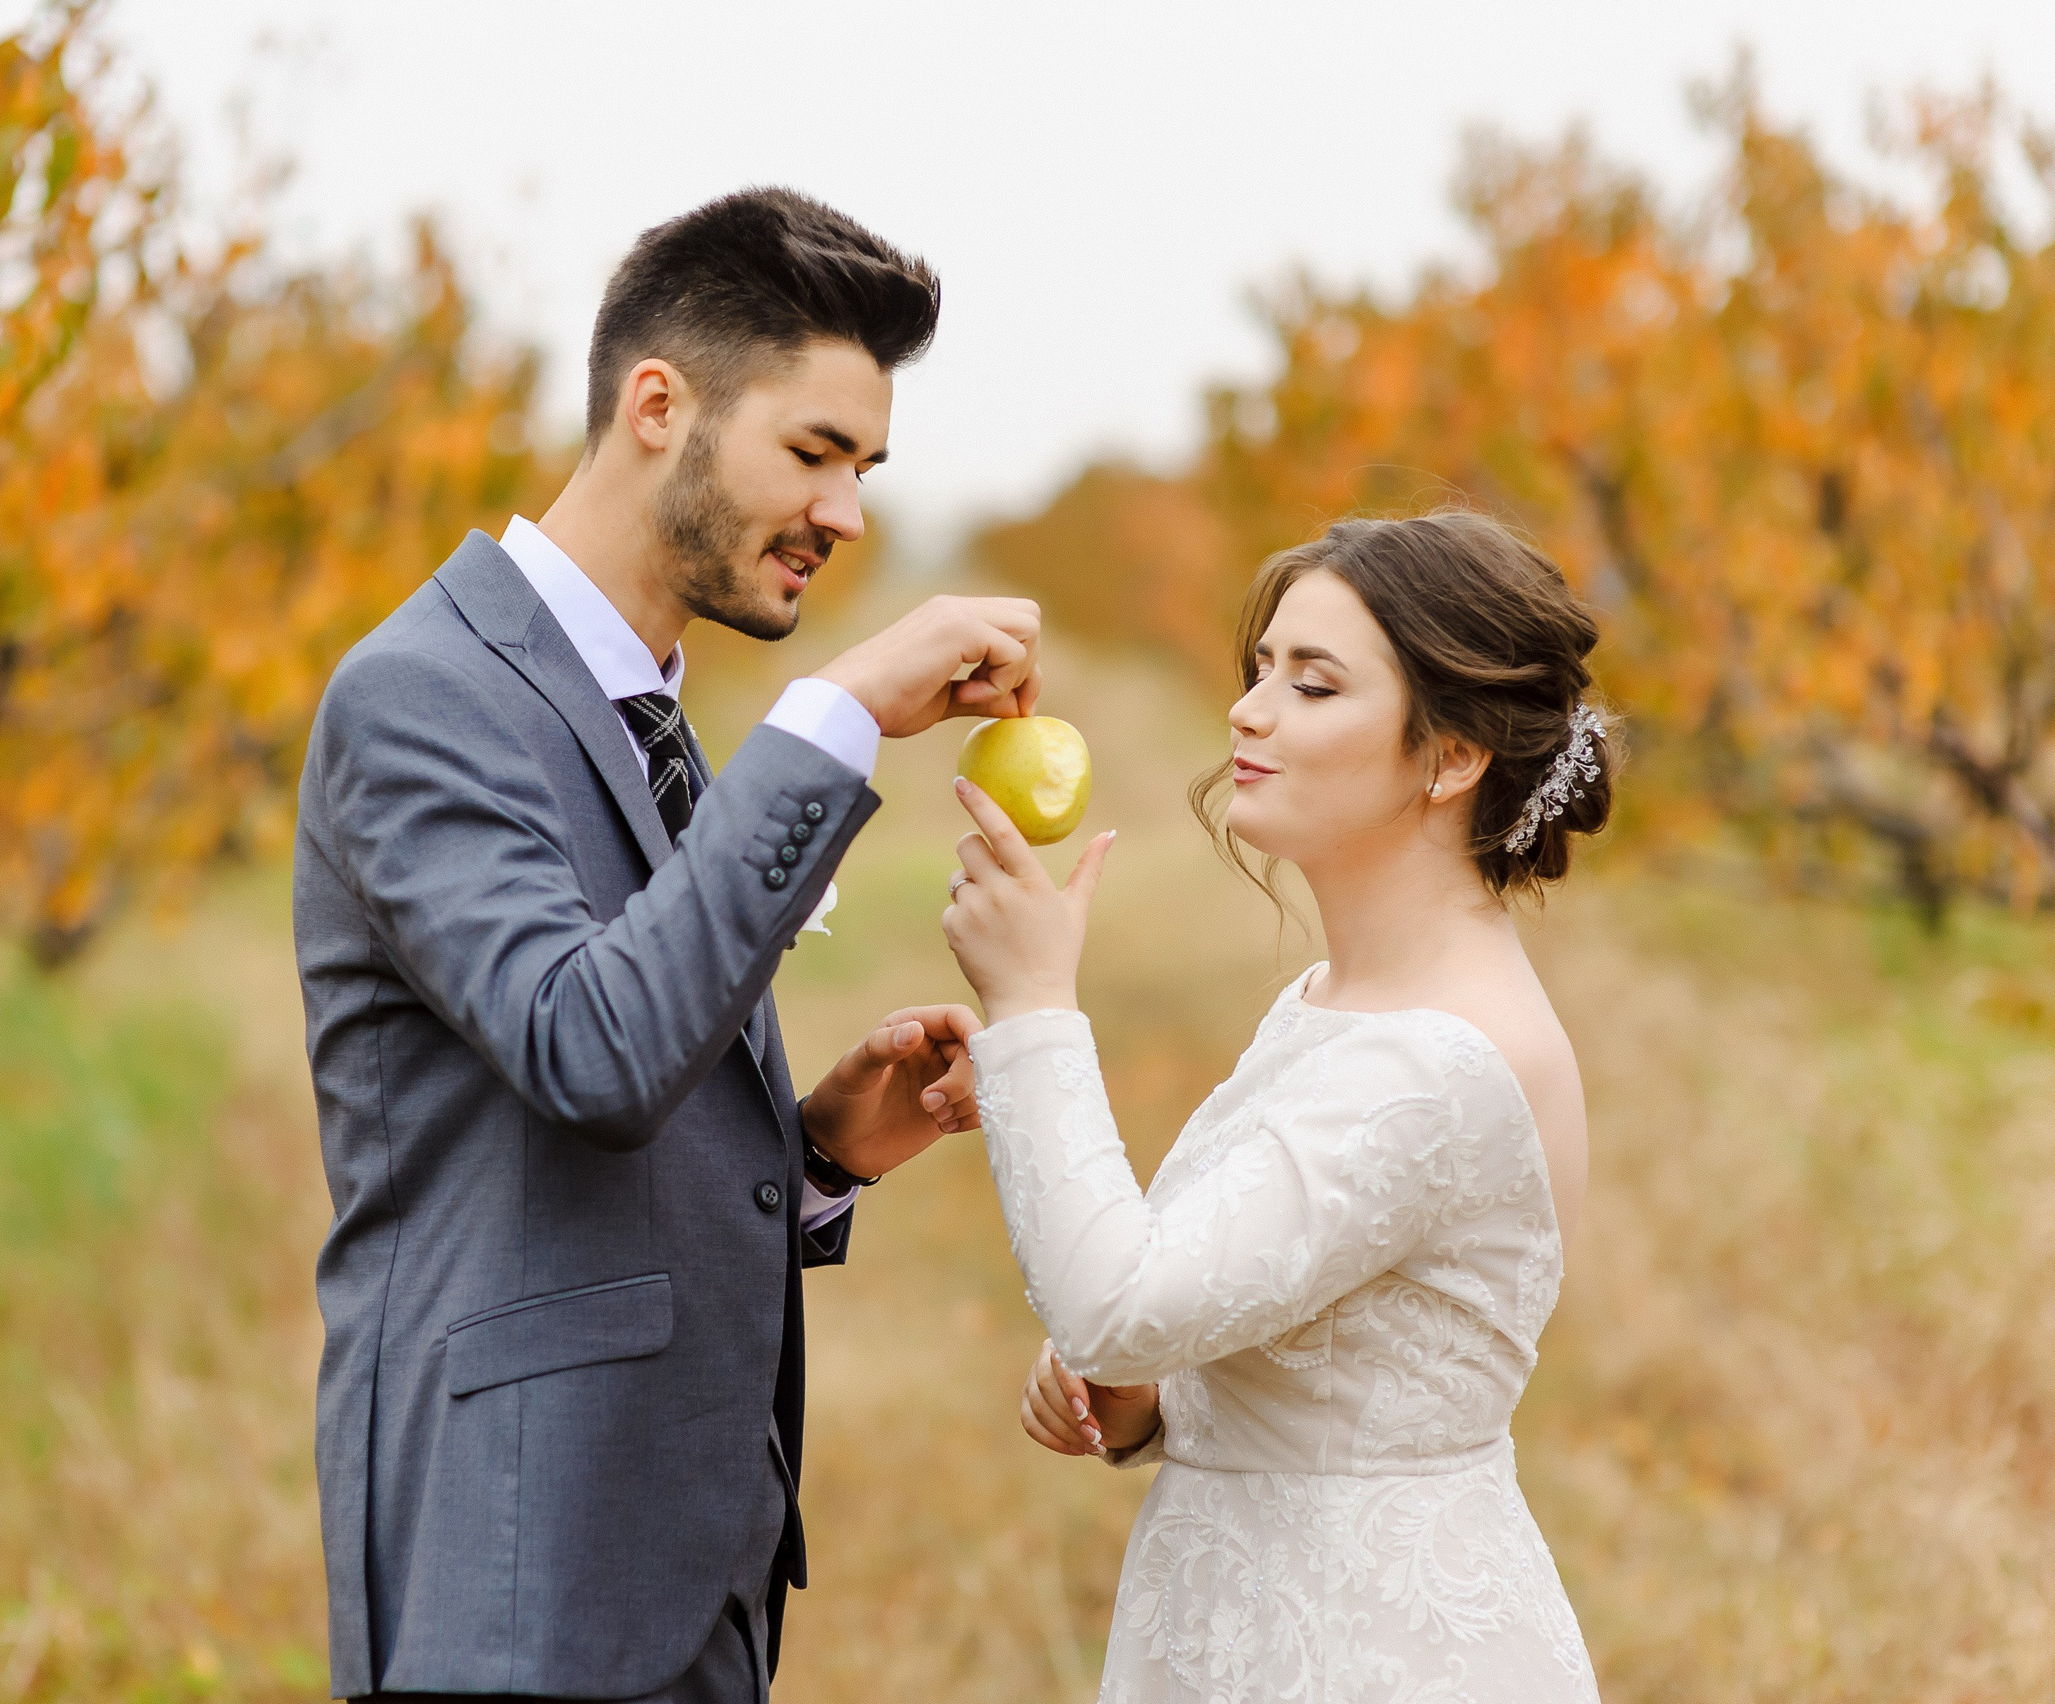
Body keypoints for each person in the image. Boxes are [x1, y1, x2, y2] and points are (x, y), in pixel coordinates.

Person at [293, 187, 1045, 1703]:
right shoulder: (424, 695)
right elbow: (590, 1051)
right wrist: (834, 719)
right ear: (659, 406)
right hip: (517, 1581)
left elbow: (612, 1067)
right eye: (814, 453)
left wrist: (819, 1151)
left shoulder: (640, 710)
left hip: (688, 1572)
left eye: (867, 467)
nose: (846, 514)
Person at [940, 512, 1606, 1701]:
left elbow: (1113, 1302)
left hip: (1368, 1648)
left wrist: (1033, 1003)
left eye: (1313, 684)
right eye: (1260, 671)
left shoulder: (1439, 1063)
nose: (1249, 710)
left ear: (1448, 758)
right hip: (1246, 1614)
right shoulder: (1334, 1001)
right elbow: (1255, 1319)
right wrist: (1150, 1402)